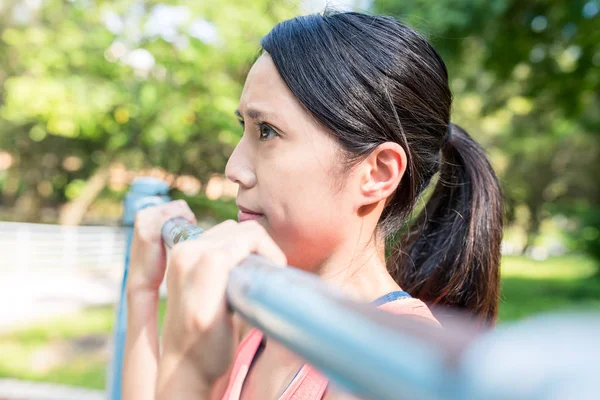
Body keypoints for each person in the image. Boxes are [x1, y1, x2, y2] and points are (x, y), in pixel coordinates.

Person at [122, 10, 503, 400]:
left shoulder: (389, 367)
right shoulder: (258, 309)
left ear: (377, 173)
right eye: (245, 129)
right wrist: (141, 290)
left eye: (267, 131)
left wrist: (189, 372)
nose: (233, 168)